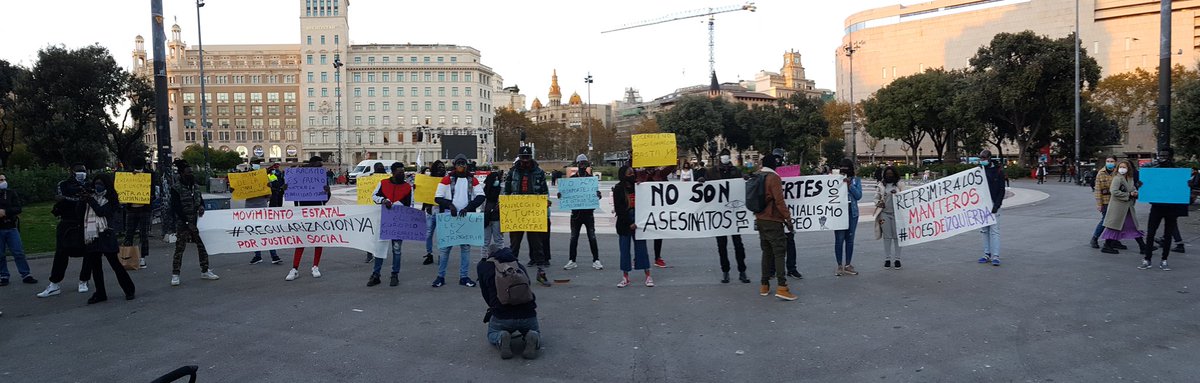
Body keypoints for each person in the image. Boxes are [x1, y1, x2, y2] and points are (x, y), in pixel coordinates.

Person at [37, 163, 94, 298]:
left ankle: (84, 280)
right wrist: (80, 199)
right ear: (72, 172)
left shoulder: (89, 184)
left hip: (85, 222)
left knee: (88, 252)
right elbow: (62, 198)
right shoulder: (63, 184)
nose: (82, 173)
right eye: (79, 171)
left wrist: (72, 199)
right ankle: (54, 283)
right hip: (67, 222)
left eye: (83, 171)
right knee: (61, 253)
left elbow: (88, 199)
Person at [477, 247, 540, 360]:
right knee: (535, 331)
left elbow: (485, 293)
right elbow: (528, 287)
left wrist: (493, 308)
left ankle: (501, 337)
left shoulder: (483, 266)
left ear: (489, 255)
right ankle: (532, 336)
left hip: (502, 316)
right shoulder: (518, 265)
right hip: (528, 313)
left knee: (492, 333)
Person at [82, 174, 136, 303]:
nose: (97, 186)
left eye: (100, 183)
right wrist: (83, 200)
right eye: (96, 183)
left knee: (115, 264)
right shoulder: (92, 197)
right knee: (96, 267)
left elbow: (101, 212)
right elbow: (80, 213)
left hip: (105, 234)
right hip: (92, 235)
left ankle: (129, 289)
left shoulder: (111, 199)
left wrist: (90, 200)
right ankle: (100, 293)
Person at [433, 154, 484, 288]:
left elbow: (480, 196)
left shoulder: (472, 180)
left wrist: (469, 207)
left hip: (466, 217)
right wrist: (450, 205)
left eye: (463, 164)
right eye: (459, 163)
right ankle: (440, 276)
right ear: (455, 165)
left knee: (465, 248)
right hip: (450, 216)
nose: (461, 166)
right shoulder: (447, 179)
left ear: (467, 165)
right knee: (445, 249)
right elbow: (437, 197)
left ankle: (464, 276)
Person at [504, 146, 552, 286]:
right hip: (516, 212)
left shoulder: (539, 172)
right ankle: (511, 274)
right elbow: (507, 190)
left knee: (537, 245)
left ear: (531, 157)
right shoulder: (513, 172)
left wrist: (546, 201)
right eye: (523, 157)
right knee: (514, 245)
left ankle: (541, 273)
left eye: (527, 157)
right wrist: (505, 203)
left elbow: (544, 190)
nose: (525, 160)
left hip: (533, 212)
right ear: (519, 157)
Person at [170, 159, 220, 286]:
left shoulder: (195, 186)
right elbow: (176, 207)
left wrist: (201, 206)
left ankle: (205, 270)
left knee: (202, 246)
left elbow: (200, 200)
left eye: (191, 172)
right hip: (183, 222)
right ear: (181, 173)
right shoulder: (176, 188)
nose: (191, 174)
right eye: (188, 172)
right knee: (180, 248)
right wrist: (186, 222)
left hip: (198, 221)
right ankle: (175, 274)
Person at [754, 153, 796, 301]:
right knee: (779, 252)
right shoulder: (774, 178)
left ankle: (764, 285)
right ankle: (782, 287)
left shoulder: (757, 175)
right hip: (773, 220)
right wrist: (788, 218)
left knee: (766, 252)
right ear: (775, 164)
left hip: (760, 219)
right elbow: (779, 202)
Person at [286, 156, 331, 281]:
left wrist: (327, 191)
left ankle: (315, 266)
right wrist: (286, 190)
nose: (321, 167)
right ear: (312, 164)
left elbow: (326, 198)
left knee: (318, 240)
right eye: (319, 165)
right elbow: (293, 192)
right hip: (303, 211)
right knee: (301, 240)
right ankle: (295, 268)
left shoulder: (322, 178)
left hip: (317, 211)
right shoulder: (299, 175)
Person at [708, 149, 749, 283]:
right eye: (723, 155)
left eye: (726, 155)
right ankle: (725, 271)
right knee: (722, 245)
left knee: (738, 244)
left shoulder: (736, 171)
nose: (725, 157)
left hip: (734, 213)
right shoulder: (712, 171)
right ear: (720, 158)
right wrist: (701, 181)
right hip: (719, 214)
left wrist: (745, 179)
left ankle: (742, 271)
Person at [370, 162, 412, 287]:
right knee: (380, 249)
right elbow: (374, 196)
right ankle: (376, 274)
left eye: (403, 171)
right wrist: (383, 200)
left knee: (397, 250)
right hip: (384, 221)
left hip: (399, 222)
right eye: (399, 172)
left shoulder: (407, 187)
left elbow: (410, 204)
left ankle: (395, 274)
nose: (402, 174)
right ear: (393, 172)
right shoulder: (383, 183)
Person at [611, 165, 653, 288]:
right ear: (623, 175)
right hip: (625, 222)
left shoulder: (638, 186)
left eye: (632, 173)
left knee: (642, 249)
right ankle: (625, 277)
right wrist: (630, 223)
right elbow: (619, 209)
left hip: (638, 219)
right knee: (624, 250)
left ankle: (648, 275)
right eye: (629, 174)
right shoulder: (618, 189)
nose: (632, 175)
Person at [561, 154, 602, 271]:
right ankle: (572, 260)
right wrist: (562, 195)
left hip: (588, 213)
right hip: (576, 214)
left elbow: (596, 194)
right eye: (581, 164)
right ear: (578, 165)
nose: (583, 166)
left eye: (585, 164)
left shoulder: (591, 179)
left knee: (592, 237)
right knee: (574, 238)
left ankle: (596, 259)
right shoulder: (573, 180)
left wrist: (598, 195)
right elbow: (567, 194)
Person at [1099, 160, 1147, 254]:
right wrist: (1129, 194)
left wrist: (1135, 193)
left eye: (1124, 167)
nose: (1122, 169)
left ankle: (1142, 246)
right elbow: (1114, 191)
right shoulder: (1117, 178)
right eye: (1121, 167)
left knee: (1131, 226)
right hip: (1118, 207)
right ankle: (1107, 245)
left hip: (1127, 207)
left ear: (1128, 169)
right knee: (1114, 226)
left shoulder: (1130, 178)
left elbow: (1132, 189)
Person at [237, 167, 281, 266]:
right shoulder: (245, 182)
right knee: (254, 232)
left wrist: (267, 188)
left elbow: (268, 196)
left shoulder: (265, 179)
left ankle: (274, 255)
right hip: (250, 210)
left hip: (262, 209)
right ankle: (258, 256)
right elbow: (239, 193)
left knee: (266, 231)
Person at [0, 173, 36, 286]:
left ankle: (26, 274)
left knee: (18, 252)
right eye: (0, 180)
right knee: (0, 254)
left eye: (3, 179)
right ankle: (3, 275)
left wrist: (6, 212)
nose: (3, 182)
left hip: (11, 226)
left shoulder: (10, 193)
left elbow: (18, 208)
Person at [122, 158, 155, 269]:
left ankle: (142, 257)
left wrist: (150, 197)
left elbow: (153, 191)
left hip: (144, 209)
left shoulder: (150, 174)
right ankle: (127, 257)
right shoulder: (128, 175)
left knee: (144, 234)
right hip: (132, 208)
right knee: (129, 233)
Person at [833, 159, 863, 276]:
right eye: (842, 167)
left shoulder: (856, 180)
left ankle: (848, 264)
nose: (844, 169)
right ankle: (840, 265)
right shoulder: (835, 180)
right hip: (839, 212)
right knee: (839, 240)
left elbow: (858, 196)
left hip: (852, 212)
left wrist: (850, 185)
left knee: (850, 240)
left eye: (846, 167)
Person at [977, 150, 1006, 266]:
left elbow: (1001, 189)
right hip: (982, 205)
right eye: (981, 158)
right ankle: (986, 253)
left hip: (994, 204)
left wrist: (997, 205)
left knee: (994, 231)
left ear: (989, 158)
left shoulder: (998, 171)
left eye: (984, 158)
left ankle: (995, 255)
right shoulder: (979, 170)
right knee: (984, 231)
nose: (982, 160)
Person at [1092, 157, 1125, 252]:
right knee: (1106, 220)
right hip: (1106, 200)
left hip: (1117, 200)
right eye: (1108, 161)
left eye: (1112, 161)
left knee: (1117, 221)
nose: (1109, 163)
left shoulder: (1118, 172)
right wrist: (1099, 203)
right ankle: (1095, 238)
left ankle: (1114, 240)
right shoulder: (1101, 173)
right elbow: (1098, 189)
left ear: (1115, 162)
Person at [875, 166, 903, 269]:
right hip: (884, 213)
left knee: (897, 237)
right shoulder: (881, 185)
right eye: (887, 174)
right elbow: (876, 197)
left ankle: (897, 259)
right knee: (887, 237)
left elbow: (906, 196)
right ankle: (887, 258)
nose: (889, 176)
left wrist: (898, 194)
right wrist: (878, 203)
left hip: (897, 214)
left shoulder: (900, 184)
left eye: (891, 174)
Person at [420, 160, 447, 266]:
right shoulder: (429, 180)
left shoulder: (446, 180)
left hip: (442, 211)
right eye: (439, 168)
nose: (442, 169)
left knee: (441, 235)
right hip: (431, 210)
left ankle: (441, 255)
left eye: (443, 167)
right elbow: (423, 192)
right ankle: (429, 254)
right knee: (428, 234)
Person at [363, 162, 389, 264]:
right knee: (369, 232)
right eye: (378, 168)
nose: (380, 169)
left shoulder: (388, 179)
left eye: (381, 167)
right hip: (371, 207)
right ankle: (369, 253)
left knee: (380, 233)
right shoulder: (369, 178)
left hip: (384, 208)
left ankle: (378, 252)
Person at [482, 170, 506, 254]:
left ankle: (501, 258)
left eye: (497, 179)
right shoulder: (485, 191)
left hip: (498, 218)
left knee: (499, 240)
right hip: (486, 218)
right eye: (494, 179)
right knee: (485, 241)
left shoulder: (502, 190)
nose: (496, 181)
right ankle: (484, 258)